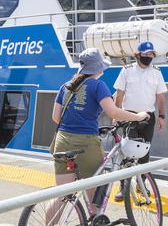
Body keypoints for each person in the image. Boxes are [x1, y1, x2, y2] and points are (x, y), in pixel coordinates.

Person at [51, 48, 149, 208]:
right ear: (98, 68)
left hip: (62, 141)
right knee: (95, 197)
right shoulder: (98, 86)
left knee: (61, 196)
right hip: (86, 144)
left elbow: (56, 117)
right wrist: (138, 116)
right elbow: (112, 112)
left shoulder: (65, 86)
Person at [113, 41, 167, 200]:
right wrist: (117, 115)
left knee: (144, 153)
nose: (149, 57)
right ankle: (124, 187)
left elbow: (160, 97)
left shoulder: (156, 72)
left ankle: (141, 184)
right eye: (146, 54)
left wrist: (162, 116)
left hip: (148, 117)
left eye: (151, 54)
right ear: (138, 55)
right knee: (126, 152)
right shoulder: (127, 70)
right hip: (128, 116)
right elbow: (119, 94)